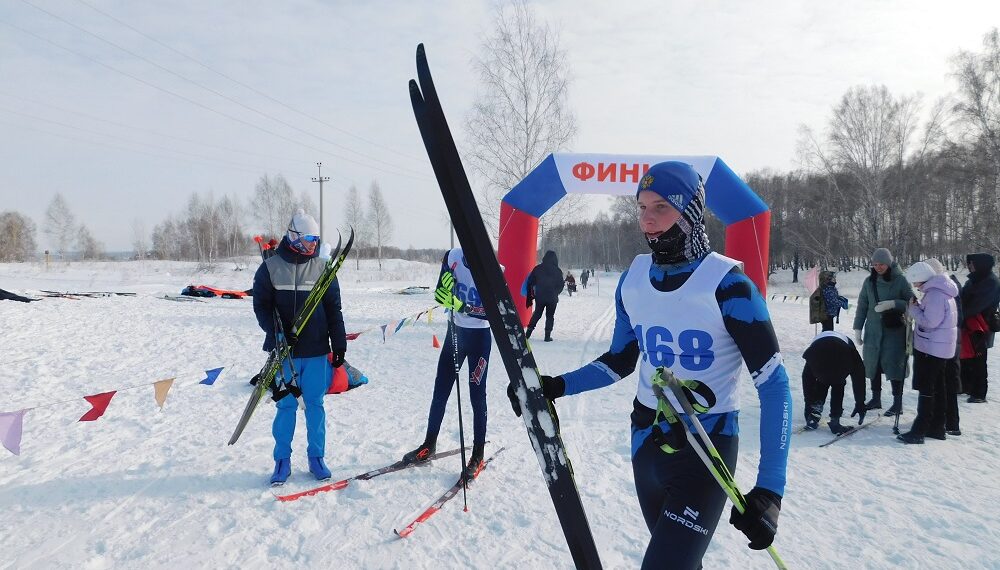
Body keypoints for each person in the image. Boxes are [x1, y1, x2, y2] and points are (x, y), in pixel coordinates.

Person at [508, 161, 790, 569]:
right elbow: (619, 362)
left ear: (691, 212)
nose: (647, 220)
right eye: (641, 207)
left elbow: (775, 385)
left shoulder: (730, 286)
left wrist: (771, 490)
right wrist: (557, 386)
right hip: (647, 447)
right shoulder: (634, 279)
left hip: (705, 451)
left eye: (660, 207)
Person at [252, 210, 347, 484]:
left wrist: (338, 343)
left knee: (316, 406)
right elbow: (261, 306)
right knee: (285, 408)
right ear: (292, 236)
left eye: (315, 240)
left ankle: (317, 458)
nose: (312, 246)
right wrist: (276, 334)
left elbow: (333, 309)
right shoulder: (270, 267)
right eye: (307, 240)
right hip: (285, 354)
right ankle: (282, 461)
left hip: (317, 352)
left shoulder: (322, 268)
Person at [402, 248, 491, 481]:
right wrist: (443, 289)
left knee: (476, 395)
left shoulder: (492, 268)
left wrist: (463, 306)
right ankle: (429, 444)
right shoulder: (452, 258)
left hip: (479, 338)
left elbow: (495, 312)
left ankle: (478, 454)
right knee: (440, 390)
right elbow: (440, 291)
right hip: (455, 333)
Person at [897, 261, 959, 444]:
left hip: (932, 348)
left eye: (914, 282)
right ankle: (937, 427)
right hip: (940, 347)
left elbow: (930, 322)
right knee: (938, 388)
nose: (914, 286)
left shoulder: (935, 295)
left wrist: (913, 308)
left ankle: (919, 430)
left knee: (927, 388)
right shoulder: (942, 291)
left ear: (921, 278)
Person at [853, 248, 914, 417]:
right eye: (875, 264)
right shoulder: (869, 282)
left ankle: (897, 403)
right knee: (873, 365)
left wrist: (894, 303)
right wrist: (858, 327)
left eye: (881, 264)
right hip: (873, 331)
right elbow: (862, 306)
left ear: (889, 263)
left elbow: (912, 302)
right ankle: (876, 398)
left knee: (895, 365)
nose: (878, 267)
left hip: (894, 332)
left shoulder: (901, 280)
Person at [802, 331, 867, 434]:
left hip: (818, 354)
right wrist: (860, 402)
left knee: (823, 380)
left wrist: (808, 404)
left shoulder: (817, 347)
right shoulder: (850, 349)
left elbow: (807, 378)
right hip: (841, 355)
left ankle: (815, 412)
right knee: (838, 382)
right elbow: (859, 377)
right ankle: (835, 420)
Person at [960, 253, 1000, 403]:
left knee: (979, 358)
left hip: (982, 325)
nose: (969, 266)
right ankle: (966, 386)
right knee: (967, 356)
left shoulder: (991, 282)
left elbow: (977, 305)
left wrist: (960, 313)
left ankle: (979, 392)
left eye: (971, 264)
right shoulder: (975, 279)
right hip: (970, 324)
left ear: (981, 264)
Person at [524, 250, 565, 342]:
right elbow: (561, 285)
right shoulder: (558, 271)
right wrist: (556, 292)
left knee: (537, 314)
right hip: (552, 297)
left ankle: (527, 334)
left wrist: (535, 290)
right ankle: (547, 336)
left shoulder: (538, 268)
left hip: (540, 296)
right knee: (550, 316)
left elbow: (531, 281)